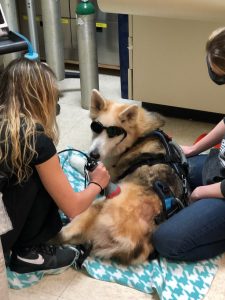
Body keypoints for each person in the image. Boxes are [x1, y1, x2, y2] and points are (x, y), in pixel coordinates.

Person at [0, 57, 110, 274]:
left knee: (27, 172)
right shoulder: (36, 141)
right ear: (41, 99)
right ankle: (29, 253)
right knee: (41, 174)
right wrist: (98, 184)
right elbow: (73, 208)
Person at [152, 27, 225, 261]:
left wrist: (201, 193)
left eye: (219, 73)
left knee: (166, 241)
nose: (214, 76)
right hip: (220, 168)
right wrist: (195, 149)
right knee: (161, 169)